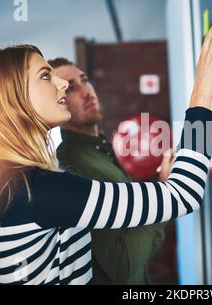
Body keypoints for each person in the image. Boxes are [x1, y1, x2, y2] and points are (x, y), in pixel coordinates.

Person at [0, 24, 212, 285]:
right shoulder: (38, 189)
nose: (61, 84)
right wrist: (202, 94)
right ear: (13, 100)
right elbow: (183, 194)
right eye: (45, 76)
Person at [47, 57, 174, 285]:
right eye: (71, 87)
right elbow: (123, 265)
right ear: (57, 101)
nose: (86, 91)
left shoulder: (103, 148)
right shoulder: (73, 167)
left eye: (85, 80)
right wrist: (165, 189)